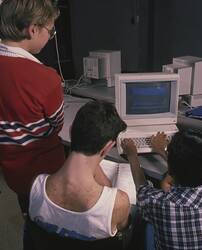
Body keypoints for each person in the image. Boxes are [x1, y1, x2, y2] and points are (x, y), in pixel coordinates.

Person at [29, 100, 130, 242]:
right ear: (107, 148)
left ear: (71, 132)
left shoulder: (36, 186)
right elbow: (123, 230)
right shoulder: (119, 202)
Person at [0, 0, 65, 214]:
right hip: (45, 174)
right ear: (33, 29)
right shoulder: (45, 78)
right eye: (50, 30)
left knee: (30, 217)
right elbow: (56, 126)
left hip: (14, 173)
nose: (50, 36)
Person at [121, 129, 202, 250]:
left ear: (171, 171)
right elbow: (190, 167)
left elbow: (141, 188)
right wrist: (162, 151)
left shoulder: (161, 204)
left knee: (135, 215)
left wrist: (132, 156)